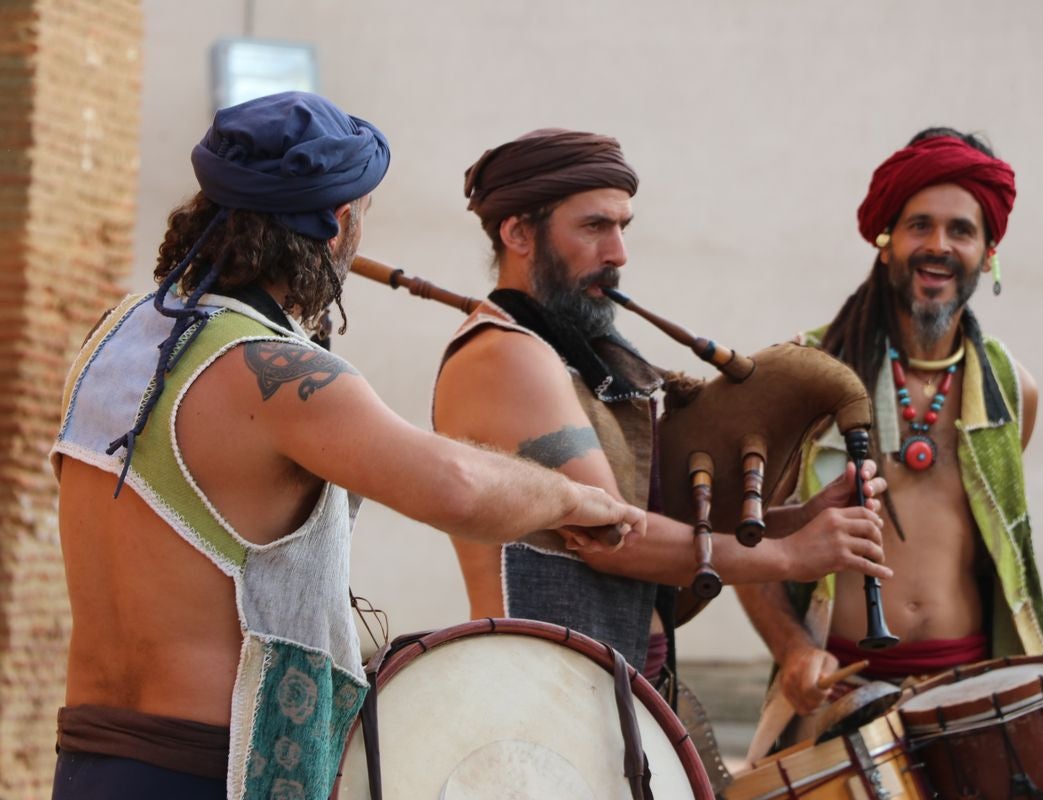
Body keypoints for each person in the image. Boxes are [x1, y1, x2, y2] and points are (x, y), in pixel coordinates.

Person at [49, 93, 646, 800]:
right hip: (212, 771)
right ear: (337, 225)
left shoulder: (118, 335)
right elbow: (454, 484)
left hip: (88, 759)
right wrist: (577, 497)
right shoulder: (278, 375)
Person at [432, 127, 893, 701]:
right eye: (595, 226)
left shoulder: (580, 353)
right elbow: (613, 537)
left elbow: (657, 520)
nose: (618, 253)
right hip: (543, 696)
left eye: (622, 227)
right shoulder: (507, 356)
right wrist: (790, 557)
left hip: (617, 687)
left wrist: (799, 521)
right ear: (519, 232)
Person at [737, 127, 1043, 749]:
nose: (938, 245)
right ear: (886, 241)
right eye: (919, 225)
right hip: (838, 697)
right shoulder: (808, 371)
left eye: (961, 229)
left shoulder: (1013, 391)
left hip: (968, 698)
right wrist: (794, 648)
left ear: (989, 251)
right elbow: (748, 535)